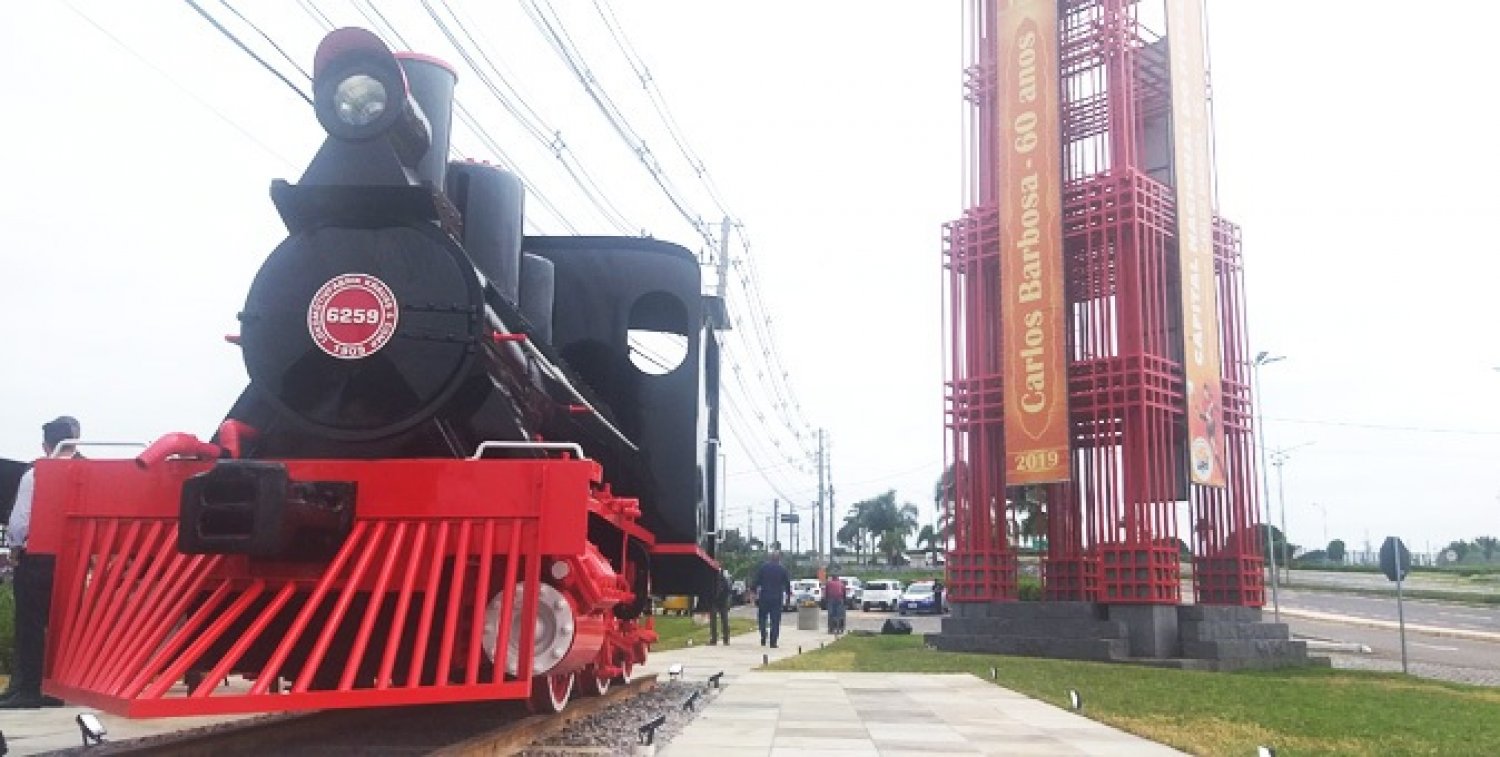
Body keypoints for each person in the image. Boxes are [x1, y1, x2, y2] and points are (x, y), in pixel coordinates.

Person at [2, 415, 79, 709]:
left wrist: (14, 547)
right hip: (71, 559)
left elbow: (21, 520)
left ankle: (27, 688)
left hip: (38, 557)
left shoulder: (37, 473)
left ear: (46, 444)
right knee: (61, 626)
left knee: (30, 625)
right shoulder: (85, 471)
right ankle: (55, 689)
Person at [749, 551, 792, 647]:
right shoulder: (782, 569)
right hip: (777, 598)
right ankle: (773, 642)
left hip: (764, 597)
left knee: (762, 618)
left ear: (770, 558)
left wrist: (753, 593)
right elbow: (787, 585)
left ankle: (763, 635)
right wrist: (788, 597)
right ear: (779, 559)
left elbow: (755, 582)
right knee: (775, 620)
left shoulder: (763, 568)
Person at [707, 568, 733, 645]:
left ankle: (714, 639)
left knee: (713, 621)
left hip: (714, 602)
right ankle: (726, 639)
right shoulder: (724, 578)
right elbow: (728, 590)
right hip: (723, 602)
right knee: (724, 620)